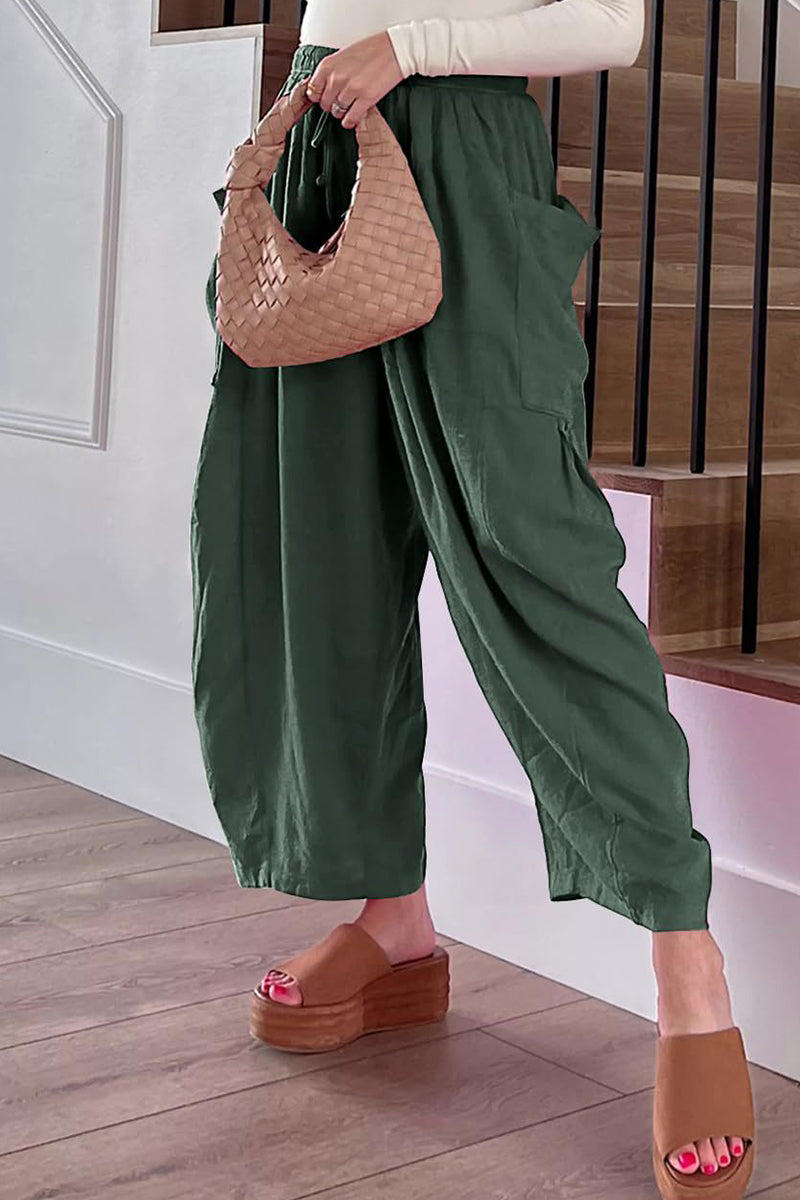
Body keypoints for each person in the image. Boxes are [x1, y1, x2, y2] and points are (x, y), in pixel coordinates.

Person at [189, 3, 755, 1195]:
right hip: (319, 131)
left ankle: (685, 966)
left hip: (462, 146)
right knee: (317, 558)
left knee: (534, 553)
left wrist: (412, 49)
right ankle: (392, 917)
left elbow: (609, 24)